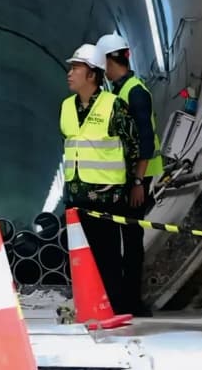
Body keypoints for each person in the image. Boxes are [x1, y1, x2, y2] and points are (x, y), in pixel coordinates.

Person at [60, 42, 142, 316]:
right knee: (84, 257)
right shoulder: (66, 107)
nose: (70, 73)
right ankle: (90, 305)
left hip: (107, 196)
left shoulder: (114, 106)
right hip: (77, 196)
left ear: (92, 74)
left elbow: (132, 147)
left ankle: (115, 307)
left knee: (108, 256)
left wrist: (133, 184)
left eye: (76, 68)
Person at [96, 32, 162, 316]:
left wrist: (138, 181)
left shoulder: (135, 91)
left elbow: (145, 140)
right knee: (121, 237)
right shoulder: (116, 91)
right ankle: (120, 299)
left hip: (139, 176)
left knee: (132, 239)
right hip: (125, 175)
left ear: (113, 60)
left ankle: (133, 302)